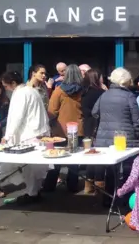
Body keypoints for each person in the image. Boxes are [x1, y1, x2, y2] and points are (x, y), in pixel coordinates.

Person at [0, 68, 51, 205]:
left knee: (30, 168)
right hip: (39, 132)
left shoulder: (21, 93)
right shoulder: (31, 91)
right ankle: (34, 191)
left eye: (6, 86)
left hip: (30, 133)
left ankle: (32, 194)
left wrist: (8, 136)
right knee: (35, 167)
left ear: (12, 83)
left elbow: (17, 117)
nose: (6, 89)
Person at [92, 68, 139, 205]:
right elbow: (137, 119)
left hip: (105, 138)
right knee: (128, 168)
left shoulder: (104, 95)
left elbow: (94, 112)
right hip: (126, 138)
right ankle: (126, 198)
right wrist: (138, 135)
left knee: (110, 168)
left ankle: (108, 199)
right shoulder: (129, 96)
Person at [43, 65, 84, 193]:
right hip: (78, 129)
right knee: (74, 160)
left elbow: (52, 111)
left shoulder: (59, 90)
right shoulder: (84, 90)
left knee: (56, 159)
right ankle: (72, 186)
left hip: (61, 130)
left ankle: (49, 186)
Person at [81, 69, 106, 194]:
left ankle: (88, 185)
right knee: (99, 155)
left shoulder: (84, 93)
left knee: (89, 155)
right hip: (99, 125)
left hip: (87, 126)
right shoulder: (101, 93)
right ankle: (99, 185)